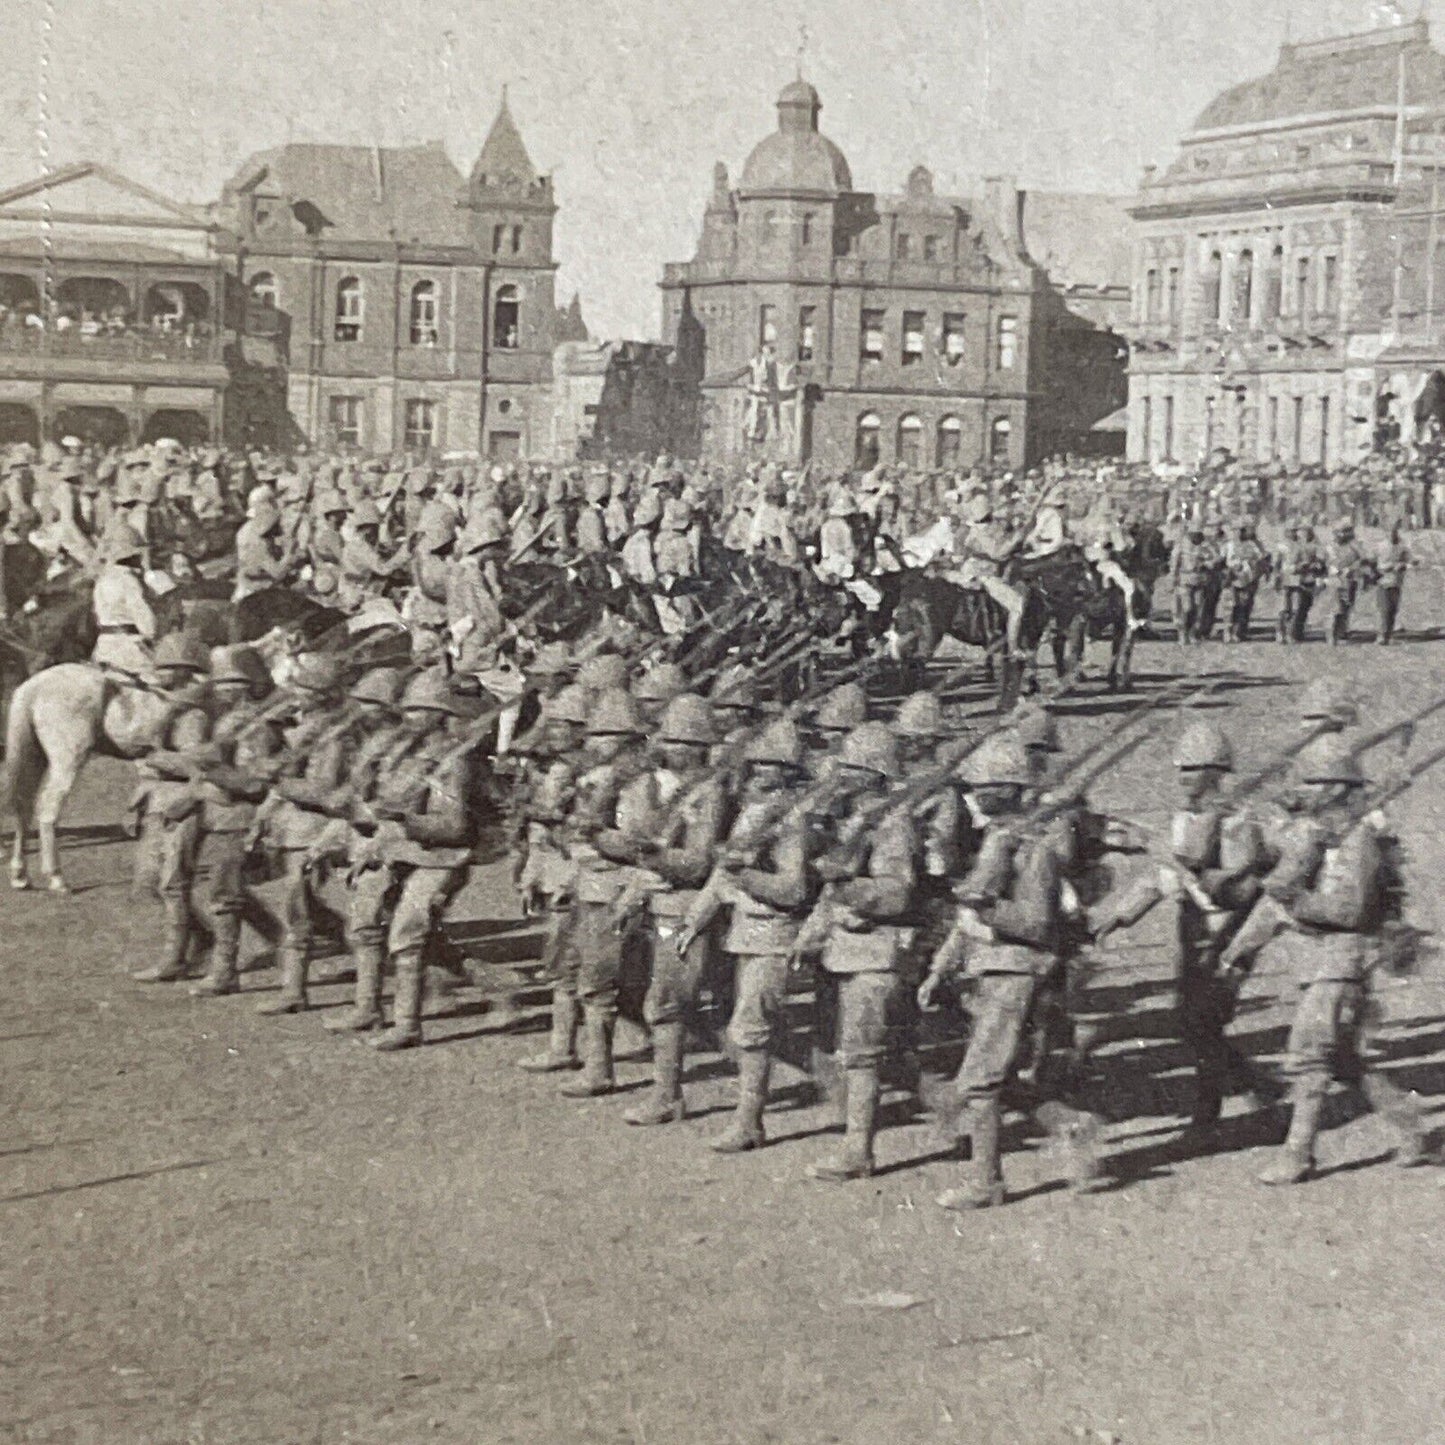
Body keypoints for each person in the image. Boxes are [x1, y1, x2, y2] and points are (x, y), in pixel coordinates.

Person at [1222, 736, 1428, 1184]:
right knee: (1342, 1062)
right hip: (1319, 962)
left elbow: (1350, 910)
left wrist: (1298, 900)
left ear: (1336, 788)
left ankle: (1298, 1154)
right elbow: (1276, 900)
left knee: (1309, 1055)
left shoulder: (1358, 843)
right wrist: (1241, 948)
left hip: (1344, 961)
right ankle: (1409, 1122)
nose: (1306, 792)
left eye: (1314, 784)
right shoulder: (1320, 839)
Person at [678, 717, 813, 1154]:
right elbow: (722, 874)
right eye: (756, 765)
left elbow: (792, 889)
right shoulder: (754, 811)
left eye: (772, 766)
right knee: (748, 1027)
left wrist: (747, 877)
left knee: (752, 1028)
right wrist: (697, 917)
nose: (760, 772)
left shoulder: (794, 821)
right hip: (746, 931)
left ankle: (749, 1122)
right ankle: (747, 1116)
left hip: (774, 932)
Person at [805, 721, 918, 1181]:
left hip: (876, 950)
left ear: (877, 775)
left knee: (864, 1054)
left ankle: (859, 1152)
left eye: (854, 769)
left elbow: (895, 894)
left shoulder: (893, 824)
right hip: (846, 948)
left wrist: (847, 888)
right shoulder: (854, 818)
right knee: (852, 1050)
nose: (844, 775)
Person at [364, 670, 490, 1050]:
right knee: (418, 937)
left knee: (407, 932)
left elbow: (454, 827)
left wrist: (405, 819)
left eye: (421, 711)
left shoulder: (454, 763)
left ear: (440, 715)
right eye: (409, 710)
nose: (410, 718)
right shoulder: (412, 757)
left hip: (443, 859)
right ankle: (501, 991)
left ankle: (408, 1025)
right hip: (410, 854)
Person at [621, 693, 728, 1126]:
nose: (677, 748)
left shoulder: (709, 792)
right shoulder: (663, 785)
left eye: (688, 742)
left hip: (684, 907)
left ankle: (668, 1095)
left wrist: (651, 856)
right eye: (671, 740)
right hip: (657, 899)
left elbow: (698, 861)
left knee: (667, 1000)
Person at [129, 633, 215, 982]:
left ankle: (174, 958)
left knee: (172, 883)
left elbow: (197, 767)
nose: (158, 673)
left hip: (182, 804)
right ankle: (203, 937)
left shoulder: (193, 716)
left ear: (184, 671)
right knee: (147, 881)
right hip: (157, 801)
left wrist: (155, 756)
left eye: (166, 668)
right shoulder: (168, 708)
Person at [91, 523, 156, 678]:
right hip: (129, 648)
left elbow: (98, 616)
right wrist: (152, 636)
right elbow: (145, 620)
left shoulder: (102, 580)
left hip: (103, 646)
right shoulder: (129, 581)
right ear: (131, 555)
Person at [1372, 523, 1408, 645]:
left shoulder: (1402, 546)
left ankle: (1389, 635)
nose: (1393, 535)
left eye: (1395, 532)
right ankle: (1381, 636)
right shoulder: (1380, 546)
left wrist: (1403, 565)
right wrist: (1384, 569)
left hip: (1396, 583)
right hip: (1383, 582)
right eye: (1390, 532)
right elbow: (1372, 563)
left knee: (1393, 610)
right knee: (1384, 610)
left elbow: (1409, 560)